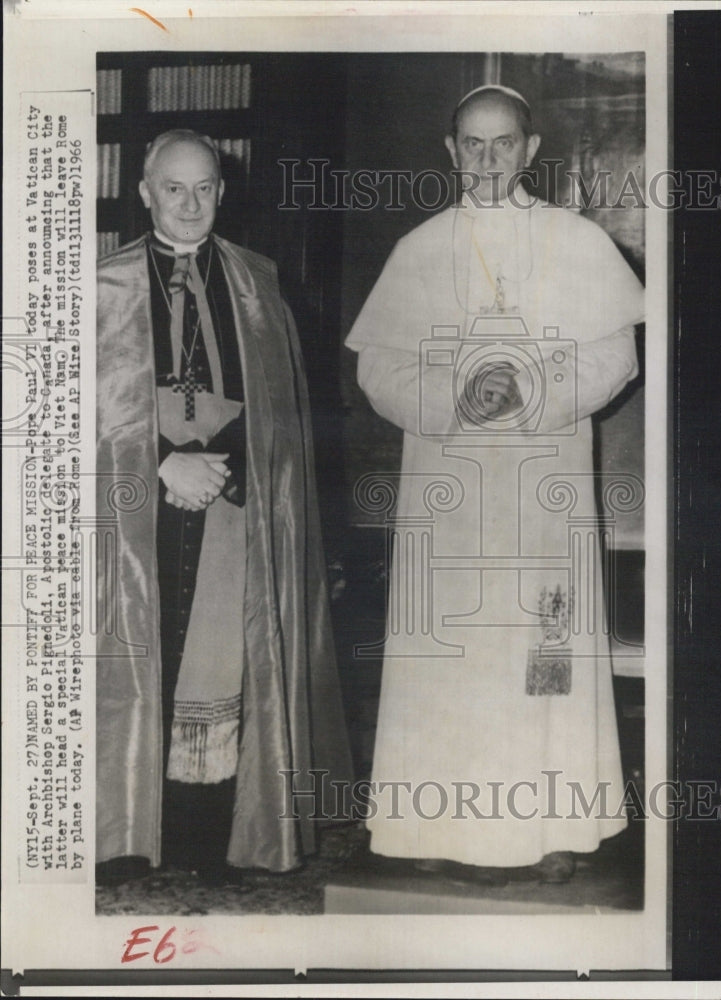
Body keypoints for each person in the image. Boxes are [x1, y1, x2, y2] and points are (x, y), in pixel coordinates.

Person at [346, 85, 644, 883]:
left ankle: (551, 827)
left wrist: (529, 387)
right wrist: (454, 395)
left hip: (542, 491)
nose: (486, 160)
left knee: (543, 653)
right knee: (450, 658)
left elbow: (616, 357)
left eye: (502, 144)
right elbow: (378, 366)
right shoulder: (418, 248)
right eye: (471, 146)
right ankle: (433, 832)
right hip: (448, 493)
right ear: (450, 153)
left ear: (531, 149)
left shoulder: (576, 240)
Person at [96, 129, 353, 885]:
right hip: (132, 514)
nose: (189, 203)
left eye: (204, 188)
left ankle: (216, 834)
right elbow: (60, 421)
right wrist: (161, 463)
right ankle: (123, 834)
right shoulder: (97, 288)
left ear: (222, 191)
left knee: (227, 656)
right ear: (143, 193)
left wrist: (226, 466)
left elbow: (284, 419)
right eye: (172, 188)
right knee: (134, 655)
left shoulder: (257, 284)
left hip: (234, 500)